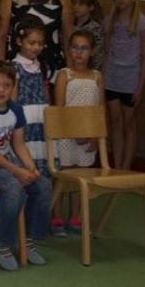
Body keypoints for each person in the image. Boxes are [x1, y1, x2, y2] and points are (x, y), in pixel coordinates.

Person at [0, 61, 51, 271]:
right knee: (13, 188)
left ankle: (27, 238)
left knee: (43, 185)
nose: (1, 90)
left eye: (6, 85)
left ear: (13, 87)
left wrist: (30, 168)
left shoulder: (16, 110)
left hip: (9, 158)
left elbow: (18, 144)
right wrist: (17, 171)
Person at [51, 30, 102, 234]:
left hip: (88, 137)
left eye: (84, 48)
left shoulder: (97, 76)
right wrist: (74, 132)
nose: (79, 52)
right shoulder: (64, 75)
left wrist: (94, 135)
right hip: (66, 135)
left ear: (92, 51)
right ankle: (56, 215)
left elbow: (100, 111)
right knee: (63, 175)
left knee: (81, 176)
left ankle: (76, 216)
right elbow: (60, 110)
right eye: (75, 47)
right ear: (68, 50)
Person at [104, 0, 145, 170]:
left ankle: (126, 167)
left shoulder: (143, 22)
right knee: (115, 121)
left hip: (131, 78)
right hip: (111, 76)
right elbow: (107, 52)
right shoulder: (110, 21)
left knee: (129, 122)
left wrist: (140, 87)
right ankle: (116, 166)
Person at [11, 18, 51, 175]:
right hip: (25, 123)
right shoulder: (14, 67)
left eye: (40, 44)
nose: (36, 47)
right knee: (28, 163)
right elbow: (12, 100)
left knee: (44, 161)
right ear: (19, 41)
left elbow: (45, 93)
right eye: (31, 43)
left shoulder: (42, 66)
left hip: (41, 120)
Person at [71, 0, 105, 69]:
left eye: (81, 4)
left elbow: (98, 53)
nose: (76, 7)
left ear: (91, 7)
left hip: (88, 68)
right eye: (74, 3)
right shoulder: (68, 25)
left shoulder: (96, 28)